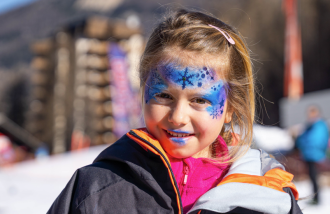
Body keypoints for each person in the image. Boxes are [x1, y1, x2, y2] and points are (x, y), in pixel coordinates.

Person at [47, 10, 302, 214]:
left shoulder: (266, 197)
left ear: (230, 109)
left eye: (200, 100)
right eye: (164, 95)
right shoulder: (94, 191)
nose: (178, 117)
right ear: (144, 90)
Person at [296, 105, 329, 204]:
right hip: (308, 154)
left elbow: (315, 140)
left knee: (315, 178)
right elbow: (300, 139)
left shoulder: (319, 125)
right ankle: (315, 197)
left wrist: (303, 143)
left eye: (311, 112)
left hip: (316, 155)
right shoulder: (309, 126)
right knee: (312, 178)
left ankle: (317, 198)